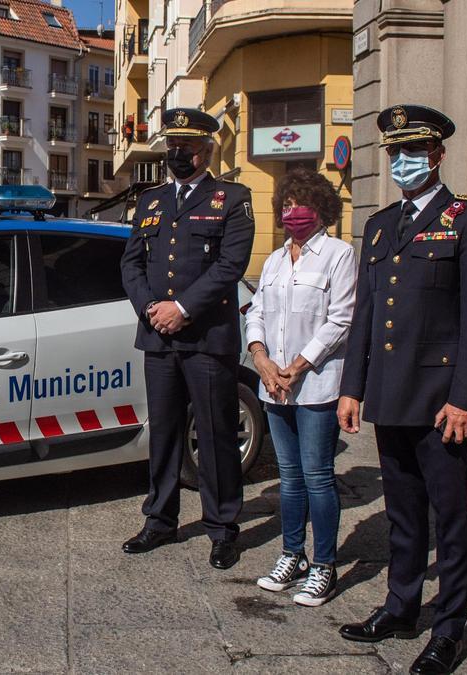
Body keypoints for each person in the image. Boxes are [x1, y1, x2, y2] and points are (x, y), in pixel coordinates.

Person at [336, 104, 467, 675]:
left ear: (437, 155)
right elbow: (366, 314)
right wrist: (352, 386)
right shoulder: (383, 225)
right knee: (404, 513)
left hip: (440, 403)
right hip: (390, 394)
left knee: (450, 518)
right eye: (395, 153)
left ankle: (451, 631)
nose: (403, 162)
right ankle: (401, 606)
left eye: (413, 152)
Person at [120, 108, 255, 570]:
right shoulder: (151, 201)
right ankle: (160, 518)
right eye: (172, 147)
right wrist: (151, 309)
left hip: (207, 338)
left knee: (216, 434)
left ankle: (222, 526)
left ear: (206, 151)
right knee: (164, 431)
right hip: (158, 338)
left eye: (187, 148)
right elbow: (131, 263)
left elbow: (230, 266)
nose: (178, 154)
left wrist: (181, 308)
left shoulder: (231, 198)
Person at [245, 168, 355, 607]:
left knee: (317, 477)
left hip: (316, 387)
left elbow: (342, 319)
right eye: (286, 204)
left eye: (300, 203)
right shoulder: (273, 260)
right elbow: (255, 311)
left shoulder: (338, 254)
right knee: (289, 479)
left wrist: (299, 364)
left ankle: (325, 565)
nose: (292, 211)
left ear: (321, 208)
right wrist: (260, 357)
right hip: (275, 386)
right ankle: (293, 554)